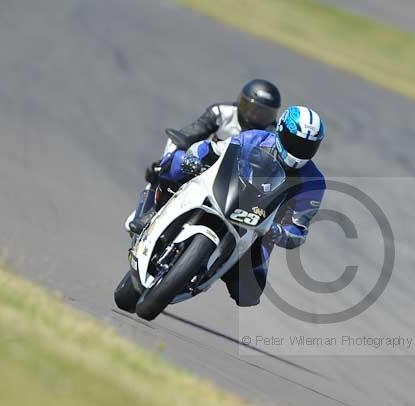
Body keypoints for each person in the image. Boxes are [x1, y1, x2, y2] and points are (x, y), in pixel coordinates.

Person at [139, 105, 326, 307]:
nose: (298, 151)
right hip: (224, 191)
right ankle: (154, 210)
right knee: (177, 162)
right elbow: (213, 150)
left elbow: (298, 228)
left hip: (259, 225)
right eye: (295, 142)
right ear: (280, 130)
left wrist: (279, 232)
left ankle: (208, 270)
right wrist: (195, 159)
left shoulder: (314, 182)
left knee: (249, 293)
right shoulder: (254, 139)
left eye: (307, 146)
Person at [151, 78, 281, 174]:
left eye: (264, 114)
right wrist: (167, 159)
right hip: (202, 167)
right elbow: (190, 133)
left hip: (243, 182)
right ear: (242, 102)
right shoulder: (222, 112)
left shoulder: (274, 133)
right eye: (253, 110)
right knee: (169, 171)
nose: (256, 117)